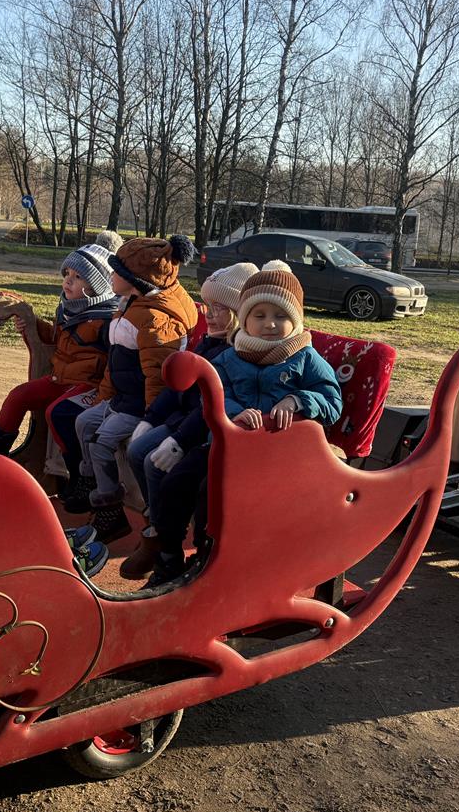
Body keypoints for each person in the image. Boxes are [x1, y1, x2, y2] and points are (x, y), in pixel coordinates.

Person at [144, 264, 343, 586]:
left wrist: (297, 401)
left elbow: (332, 402)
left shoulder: (306, 357)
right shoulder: (229, 357)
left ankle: (208, 559)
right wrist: (236, 412)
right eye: (259, 315)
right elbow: (213, 397)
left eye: (280, 315)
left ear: (296, 319)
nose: (270, 324)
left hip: (277, 454)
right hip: (228, 446)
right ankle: (169, 558)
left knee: (212, 493)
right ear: (245, 318)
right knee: (176, 483)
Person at [118, 261, 256, 579]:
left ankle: (167, 545)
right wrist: (151, 419)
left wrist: (178, 440)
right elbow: (177, 388)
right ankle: (156, 527)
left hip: (200, 426)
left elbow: (211, 405)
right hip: (185, 418)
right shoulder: (208, 341)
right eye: (207, 306)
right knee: (137, 450)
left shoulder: (233, 352)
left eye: (219, 308)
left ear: (239, 313)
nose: (210, 314)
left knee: (154, 463)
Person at [64, 234, 199, 543]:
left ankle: (109, 507)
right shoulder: (132, 303)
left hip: (140, 406)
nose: (111, 276)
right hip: (122, 398)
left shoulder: (153, 319)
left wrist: (150, 420)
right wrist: (104, 398)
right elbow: (117, 362)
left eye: (117, 271)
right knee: (83, 421)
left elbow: (158, 378)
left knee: (100, 442)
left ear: (135, 279)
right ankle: (91, 483)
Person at [0, 240, 118, 456]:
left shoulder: (107, 319)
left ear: (97, 286)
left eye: (78, 277)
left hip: (88, 384)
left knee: (55, 412)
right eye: (67, 273)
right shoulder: (68, 309)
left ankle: (74, 470)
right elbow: (56, 340)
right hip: (60, 379)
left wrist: (102, 397)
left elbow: (115, 363)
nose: (68, 280)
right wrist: (32, 324)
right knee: (17, 396)